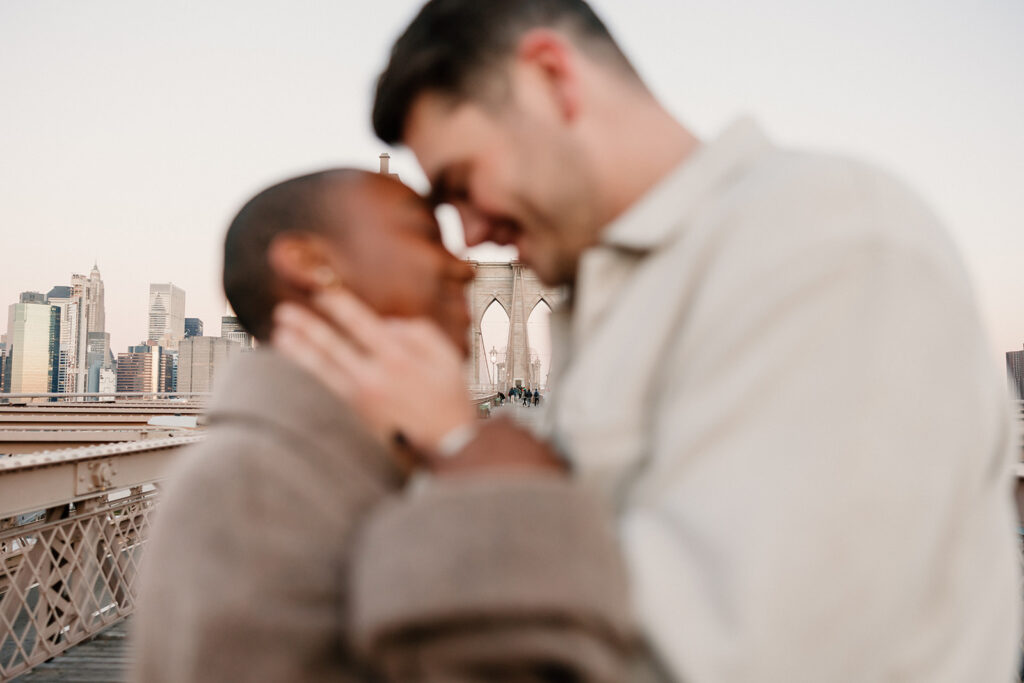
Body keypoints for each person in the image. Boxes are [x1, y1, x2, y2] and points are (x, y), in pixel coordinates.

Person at [271, 1, 1022, 680]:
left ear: (552, 79)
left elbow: (743, 660)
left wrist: (468, 450)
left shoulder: (828, 242)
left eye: (462, 183)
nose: (468, 236)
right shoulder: (599, 302)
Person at [133, 169, 634, 682]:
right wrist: (494, 478)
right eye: (425, 235)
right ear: (311, 263)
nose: (463, 267)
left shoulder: (334, 465)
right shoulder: (244, 491)